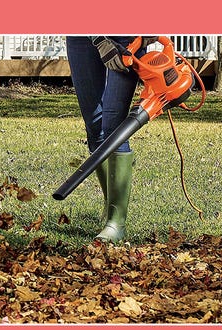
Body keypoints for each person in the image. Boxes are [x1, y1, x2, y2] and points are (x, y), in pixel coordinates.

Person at [66, 36, 157, 242]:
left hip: (126, 36)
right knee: (94, 128)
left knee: (113, 127)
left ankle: (116, 223)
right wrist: (99, 39)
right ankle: (111, 205)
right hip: (83, 36)